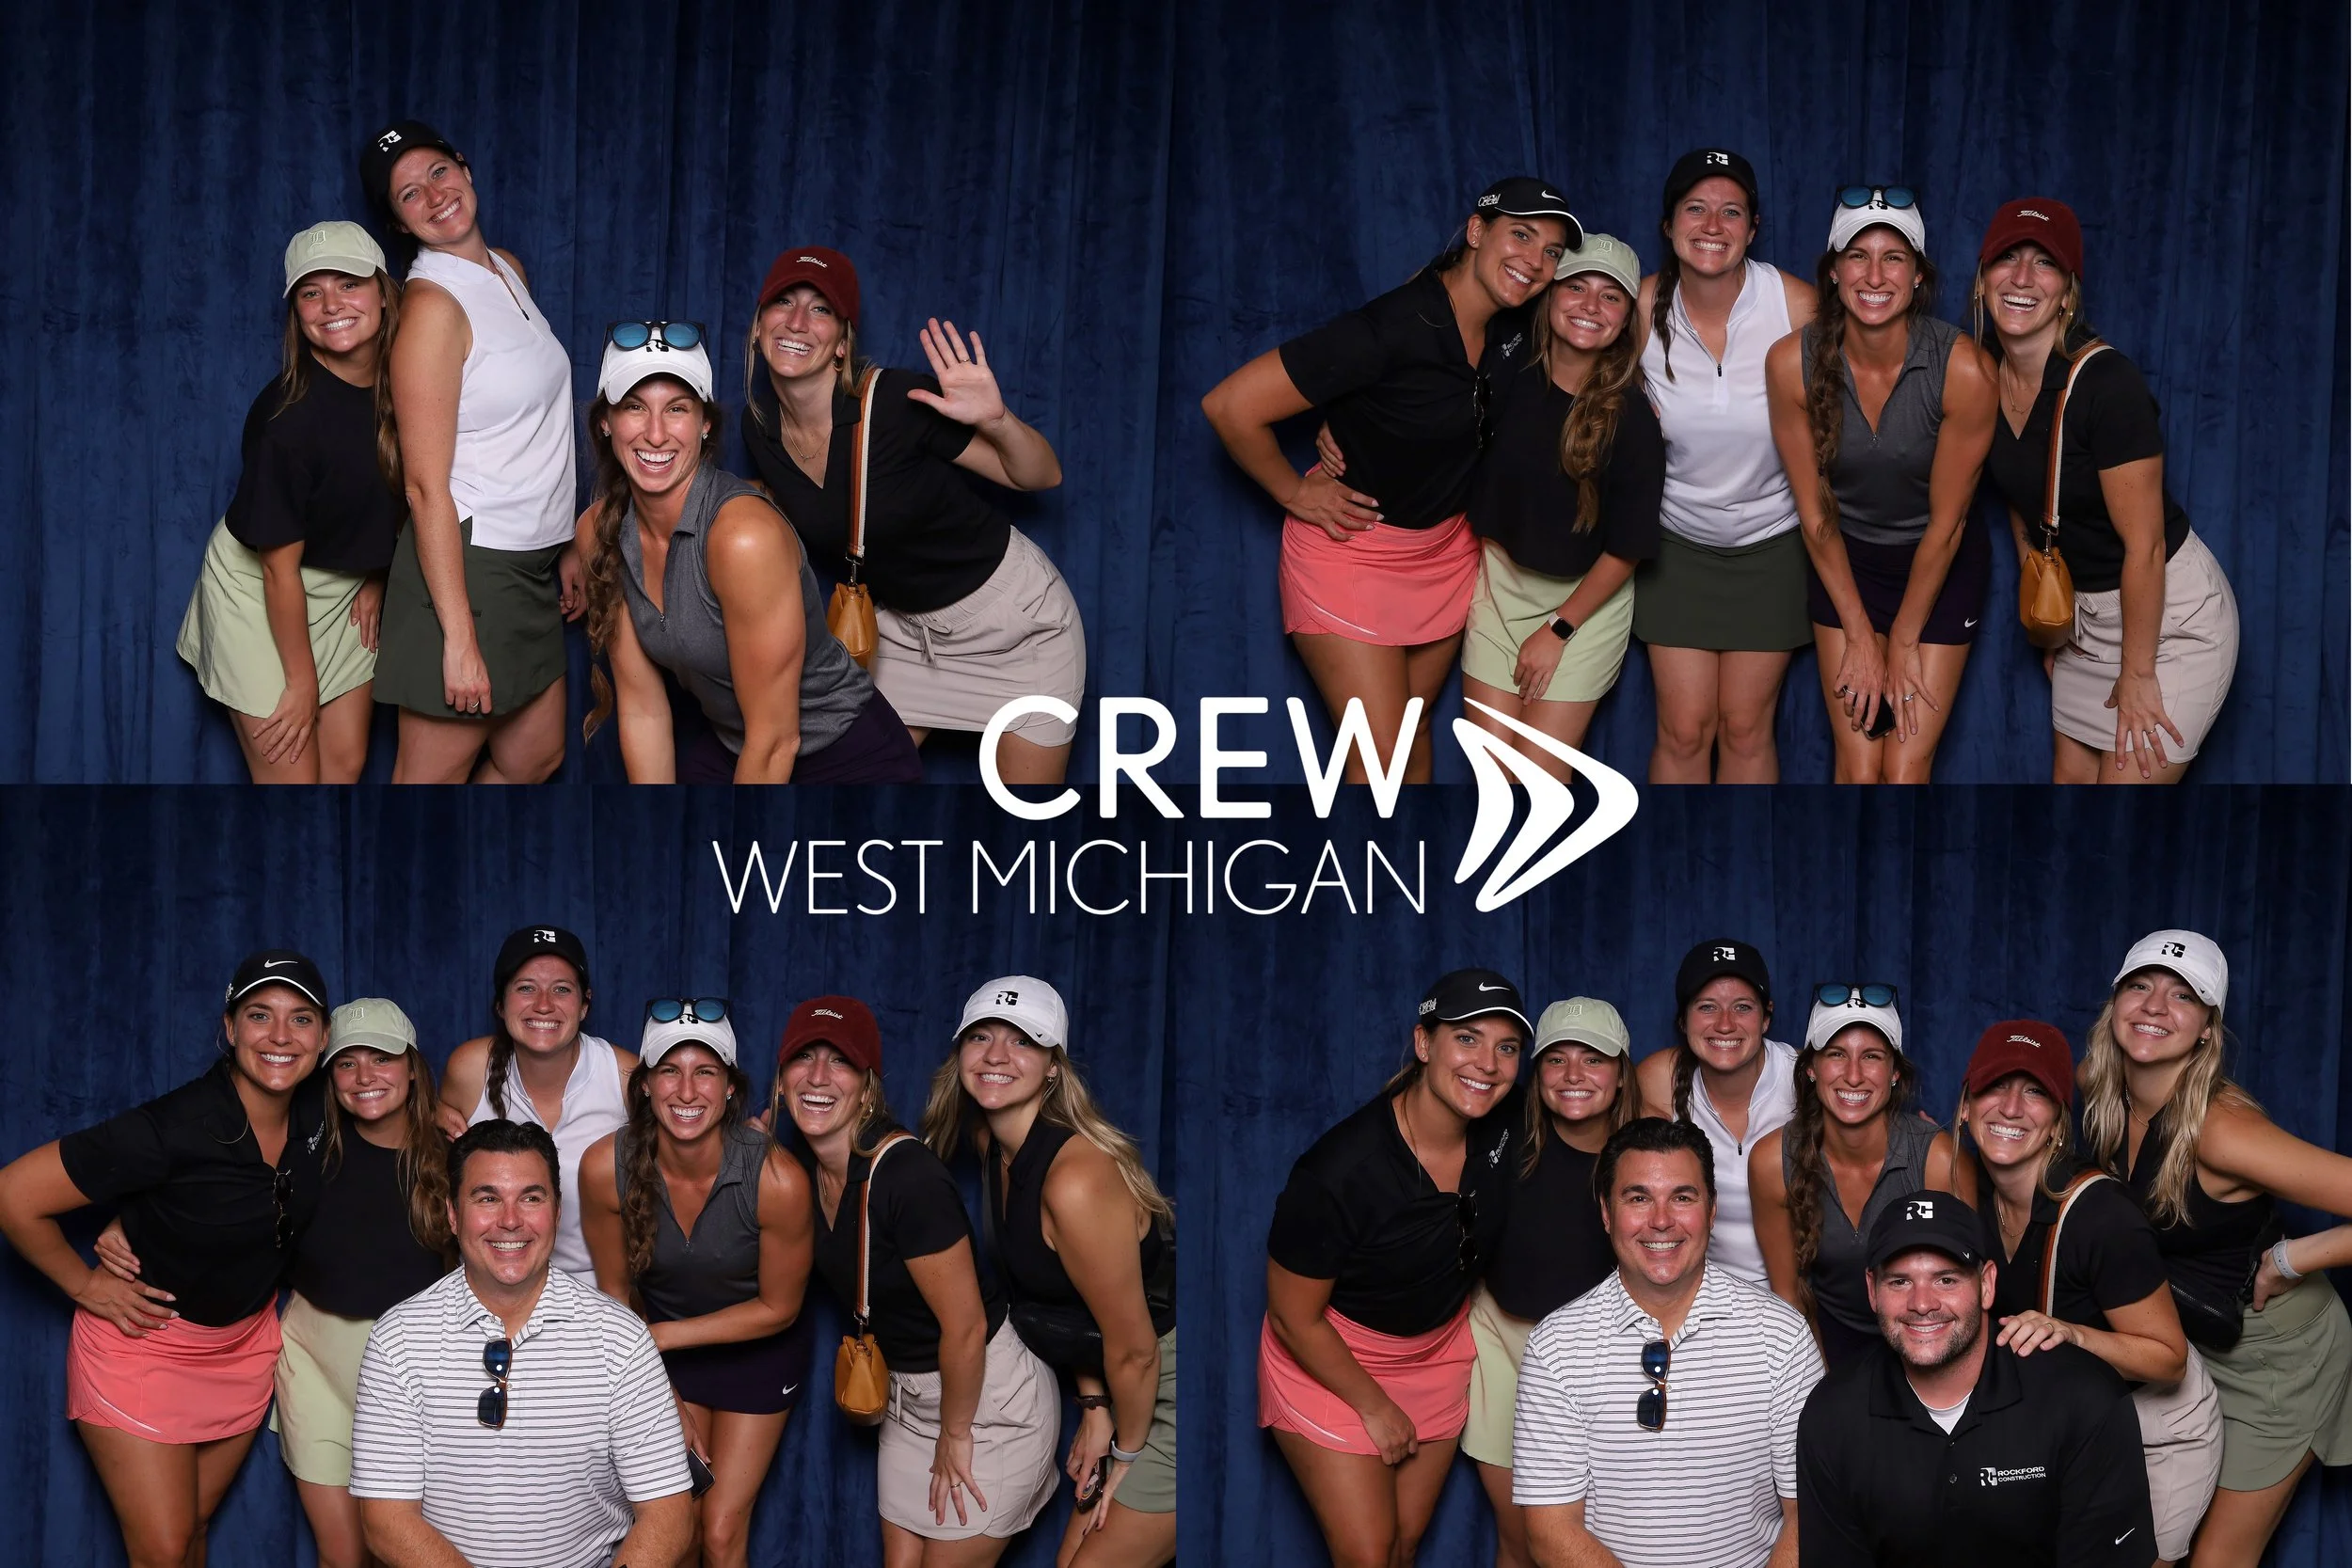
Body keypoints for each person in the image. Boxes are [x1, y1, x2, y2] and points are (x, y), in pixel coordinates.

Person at [1202, 180, 1578, 784]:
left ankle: (1411, 878)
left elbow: (1612, 305)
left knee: (1408, 738)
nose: (1535, 261)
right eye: (1522, 235)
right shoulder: (1391, 326)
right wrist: (1295, 492)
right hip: (1353, 556)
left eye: (1553, 251)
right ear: (1477, 232)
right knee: (1378, 765)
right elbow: (1230, 406)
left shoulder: (1516, 328)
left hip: (1445, 555)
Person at [93, 996, 455, 1568]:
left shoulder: (454, 1157)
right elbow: (207, 1185)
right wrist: (128, 1218)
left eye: (383, 1058)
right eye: (346, 1062)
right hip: (314, 1357)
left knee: (410, 1549)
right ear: (327, 1073)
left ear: (413, 1065)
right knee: (343, 1555)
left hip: (414, 1369)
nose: (365, 1077)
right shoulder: (306, 1146)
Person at [0, 951, 332, 1568]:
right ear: (229, 1029)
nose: (281, 1036)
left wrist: (444, 1114)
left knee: (193, 1531)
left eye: (301, 1018)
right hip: (145, 1348)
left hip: (241, 1349)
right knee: (163, 1549)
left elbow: (393, 1105)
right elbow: (13, 1195)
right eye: (260, 1015)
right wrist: (85, 1284)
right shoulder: (174, 1125)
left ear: (324, 1036)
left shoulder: (320, 1114)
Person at [739, 248, 1084, 784]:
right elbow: (801, 497)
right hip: (902, 635)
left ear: (842, 342)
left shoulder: (897, 401)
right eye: (783, 302)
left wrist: (999, 420)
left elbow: (1039, 476)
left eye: (821, 309)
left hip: (1018, 627)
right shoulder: (758, 430)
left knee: (1023, 827)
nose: (798, 322)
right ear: (760, 326)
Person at [2077, 929, 2352, 1565]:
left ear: (2207, 1027)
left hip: (2282, 1359)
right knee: (2136, 1540)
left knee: (2219, 1558)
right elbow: (2017, 1106)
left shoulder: (2223, 1130)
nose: (2153, 1006)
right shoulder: (2100, 1084)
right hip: (2187, 1348)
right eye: (2139, 986)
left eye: (2183, 996)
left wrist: (2294, 1258)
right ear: (2114, 1002)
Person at [773, 995, 1059, 1564]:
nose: (819, 1077)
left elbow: (966, 1324)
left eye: (841, 1062)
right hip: (905, 1402)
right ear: (780, 1081)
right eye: (804, 1059)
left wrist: (956, 1435)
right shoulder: (802, 1172)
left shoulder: (908, 1177)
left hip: (984, 1402)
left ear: (868, 1085)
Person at [1260, 969, 1529, 1568]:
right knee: (1368, 1555)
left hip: (1435, 1355)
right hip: (1330, 1358)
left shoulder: (1507, 1132)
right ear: (1424, 1044)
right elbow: (1291, 1315)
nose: (1487, 1062)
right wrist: (1374, 1407)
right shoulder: (1338, 1171)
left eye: (1506, 1047)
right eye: (1467, 1038)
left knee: (1403, 1548)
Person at [577, 323, 925, 783]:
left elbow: (777, 738)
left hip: (845, 759)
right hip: (735, 747)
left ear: (705, 426)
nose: (656, 434)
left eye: (677, 409)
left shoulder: (742, 537)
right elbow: (644, 711)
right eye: (635, 408)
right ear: (606, 422)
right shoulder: (598, 531)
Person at [1973, 198, 2238, 784]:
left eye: (2044, 264)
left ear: (2068, 292)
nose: (2021, 278)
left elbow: (2143, 547)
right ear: (1982, 279)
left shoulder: (2107, 384)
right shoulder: (1983, 375)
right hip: (2086, 624)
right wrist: (2050, 612)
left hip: (2166, 622)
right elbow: (2020, 498)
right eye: (2006, 259)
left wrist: (2138, 672)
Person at [350, 1117, 692, 1567]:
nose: (510, 1221)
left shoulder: (620, 1338)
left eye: (531, 1198)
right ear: (453, 1214)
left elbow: (668, 1515)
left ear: (557, 1210)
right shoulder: (397, 1339)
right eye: (487, 1198)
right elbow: (385, 1519)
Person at [925, 977, 1178, 1568]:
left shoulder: (1075, 1179)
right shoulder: (992, 1143)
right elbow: (1076, 1309)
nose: (995, 1056)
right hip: (1123, 1389)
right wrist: (1094, 1406)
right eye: (980, 1037)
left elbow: (1137, 1350)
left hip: (1168, 1392)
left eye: (1023, 1043)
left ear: (1054, 1068)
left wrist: (1127, 1456)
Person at [360, 121, 580, 784]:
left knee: (534, 757)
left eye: (438, 172)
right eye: (408, 195)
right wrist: (457, 641)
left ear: (466, 168)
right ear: (399, 223)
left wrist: (563, 540)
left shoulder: (507, 270)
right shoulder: (430, 309)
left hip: (532, 563)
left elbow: (533, 422)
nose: (434, 196)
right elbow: (425, 487)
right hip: (472, 570)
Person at [1951, 1018, 2214, 1565]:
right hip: (2072, 1423)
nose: (2011, 1107)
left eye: (2036, 1092)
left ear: (2058, 1123)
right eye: (1995, 1086)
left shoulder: (2101, 1217)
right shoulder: (1968, 1191)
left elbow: (2169, 1361)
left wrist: (2069, 1332)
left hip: (2159, 1428)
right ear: (1965, 1106)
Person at [1512, 1117, 1821, 1567]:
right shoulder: (1555, 1348)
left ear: (1712, 1211)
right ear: (1606, 1212)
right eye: (1638, 1198)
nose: (1661, 1221)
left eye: (1682, 1197)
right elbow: (1550, 1530)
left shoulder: (1782, 1337)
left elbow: (1808, 1517)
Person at [1765, 188, 1997, 782]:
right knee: (1860, 763)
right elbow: (1816, 517)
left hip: (1938, 571)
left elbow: (1947, 527)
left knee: (1903, 768)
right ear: (1834, 271)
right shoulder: (1790, 361)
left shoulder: (1963, 368)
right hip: (1847, 567)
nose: (1874, 274)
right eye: (1857, 256)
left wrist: (1902, 640)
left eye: (1893, 258)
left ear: (1918, 275)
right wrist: (1862, 636)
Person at [1793, 1191, 2156, 1567]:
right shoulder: (1832, 1415)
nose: (1922, 1303)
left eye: (1946, 1280)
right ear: (1872, 1290)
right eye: (1900, 1282)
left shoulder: (2082, 1397)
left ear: (1986, 1284)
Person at [580, 1002, 815, 1568]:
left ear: (731, 1088)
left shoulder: (778, 1178)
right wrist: (661, 1387)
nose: (687, 1090)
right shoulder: (601, 1167)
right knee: (673, 1532)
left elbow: (779, 1309)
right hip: (660, 1354)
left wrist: (659, 1340)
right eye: (669, 1071)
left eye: (705, 1072)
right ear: (645, 1086)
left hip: (755, 1351)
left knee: (720, 1532)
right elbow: (614, 1291)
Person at [178, 222, 404, 784]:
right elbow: (278, 572)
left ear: (383, 291)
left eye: (349, 283)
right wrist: (299, 684)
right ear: (296, 313)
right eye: (311, 292)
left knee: (345, 766)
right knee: (292, 781)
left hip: (343, 588)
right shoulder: (288, 420)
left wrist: (378, 575)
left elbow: (411, 493)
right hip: (262, 592)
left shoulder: (412, 385)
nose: (331, 305)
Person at [1634, 149, 1820, 783]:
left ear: (1754, 227)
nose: (1713, 225)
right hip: (1673, 544)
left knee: (1745, 728)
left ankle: (1742, 874)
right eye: (1696, 208)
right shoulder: (1638, 307)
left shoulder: (1795, 305)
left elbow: (1848, 419)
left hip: (1771, 543)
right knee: (1683, 729)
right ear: (1668, 226)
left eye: (1731, 211)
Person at [1466, 997, 1637, 1568]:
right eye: (1556, 1060)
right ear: (1536, 1072)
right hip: (1502, 1343)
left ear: (1620, 1073)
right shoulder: (1503, 1133)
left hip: (1599, 1361)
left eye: (1593, 1059)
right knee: (1521, 1540)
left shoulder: (1643, 1156)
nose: (1573, 1076)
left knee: (1594, 1539)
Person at [1751, 985, 1958, 1370]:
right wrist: (1823, 1387)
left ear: (1895, 1072)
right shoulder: (1771, 1160)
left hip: (1925, 1342)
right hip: (1825, 1344)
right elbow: (1788, 1297)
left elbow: (1960, 1294)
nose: (1853, 1075)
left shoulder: (1937, 1158)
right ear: (1811, 1068)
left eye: (1872, 1057)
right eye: (1836, 1055)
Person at [436, 926, 635, 1280]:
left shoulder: (622, 1076)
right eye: (526, 988)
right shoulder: (470, 1069)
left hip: (595, 1291)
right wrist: (431, 1115)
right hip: (490, 1283)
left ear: (585, 1004)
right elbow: (437, 1154)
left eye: (561, 989)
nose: (544, 1005)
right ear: (500, 1003)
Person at [1634, 939, 1799, 1285]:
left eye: (1742, 1007)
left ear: (1766, 1017)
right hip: (1702, 1293)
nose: (1725, 1025)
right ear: (1683, 1020)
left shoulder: (1802, 1077)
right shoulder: (1659, 1078)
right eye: (1707, 1007)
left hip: (1799, 1290)